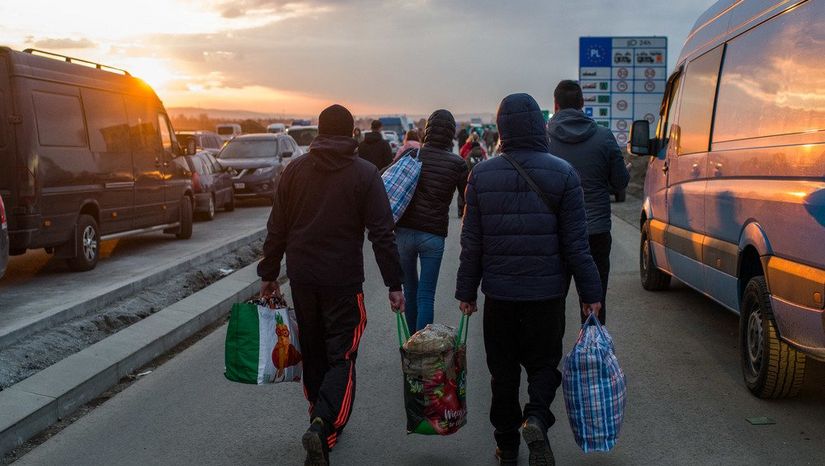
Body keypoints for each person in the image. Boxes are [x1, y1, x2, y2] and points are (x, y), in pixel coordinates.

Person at [455, 93, 602, 466]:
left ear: (502, 128)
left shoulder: (482, 174)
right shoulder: (564, 173)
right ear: (539, 126)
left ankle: (507, 447)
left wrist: (466, 291)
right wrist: (591, 292)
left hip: (500, 297)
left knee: (502, 373)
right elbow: (576, 244)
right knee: (544, 365)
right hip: (546, 296)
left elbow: (472, 243)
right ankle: (535, 416)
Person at [258, 104, 405, 466]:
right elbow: (382, 234)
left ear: (320, 133)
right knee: (343, 354)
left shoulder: (295, 171)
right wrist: (395, 283)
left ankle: (319, 421)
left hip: (303, 279)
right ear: (351, 133)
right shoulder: (365, 175)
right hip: (343, 281)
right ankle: (323, 425)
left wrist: (269, 274)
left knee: (314, 352)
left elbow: (277, 227)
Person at [547, 80, 629, 325]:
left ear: (556, 104)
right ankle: (592, 357)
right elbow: (620, 182)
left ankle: (551, 361)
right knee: (594, 301)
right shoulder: (604, 137)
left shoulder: (543, 139)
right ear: (583, 103)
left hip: (555, 233)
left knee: (553, 302)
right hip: (596, 231)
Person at [396, 110, 468, 332]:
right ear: (450, 134)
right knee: (426, 295)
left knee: (410, 290)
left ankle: (411, 346)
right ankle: (422, 351)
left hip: (404, 233)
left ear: (427, 131)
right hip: (433, 235)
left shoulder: (411, 156)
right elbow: (467, 200)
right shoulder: (457, 164)